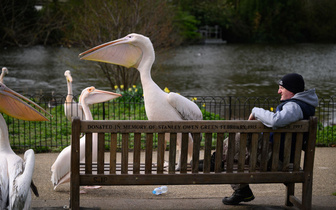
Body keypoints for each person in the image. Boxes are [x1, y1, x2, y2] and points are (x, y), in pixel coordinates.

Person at [221, 73, 319, 205]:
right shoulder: (301, 105)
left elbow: (275, 120)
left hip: (278, 162)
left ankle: (218, 165)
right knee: (235, 149)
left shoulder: (294, 106)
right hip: (279, 157)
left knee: (240, 136)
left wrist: (255, 110)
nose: (279, 91)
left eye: (281, 88)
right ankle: (235, 183)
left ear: (291, 90)